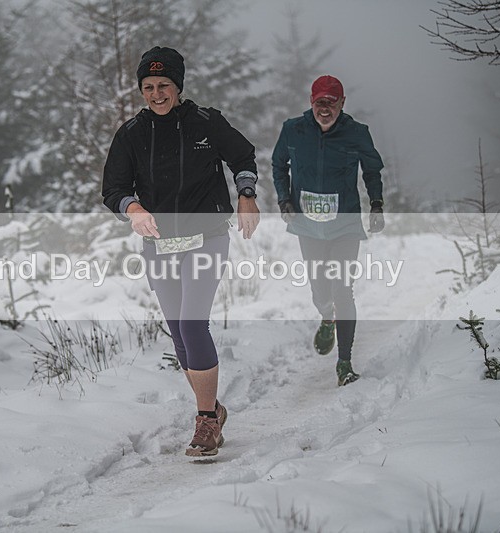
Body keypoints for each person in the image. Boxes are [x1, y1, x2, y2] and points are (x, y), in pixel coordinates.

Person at [102, 46, 260, 456]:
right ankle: (213, 408)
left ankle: (206, 422)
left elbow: (242, 156)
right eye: (149, 87)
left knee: (192, 324)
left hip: (207, 236)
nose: (156, 94)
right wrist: (132, 208)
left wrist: (246, 195)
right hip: (160, 243)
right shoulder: (131, 134)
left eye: (164, 85)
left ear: (178, 87)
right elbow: (113, 190)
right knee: (178, 333)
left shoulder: (206, 122)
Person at [271, 75, 384, 387]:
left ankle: (344, 363)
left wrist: (376, 204)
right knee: (320, 288)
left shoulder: (357, 133)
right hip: (307, 224)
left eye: (331, 103)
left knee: (341, 288)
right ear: (311, 102)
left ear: (342, 104)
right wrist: (283, 200)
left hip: (345, 222)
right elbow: (278, 165)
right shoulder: (293, 129)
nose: (325, 109)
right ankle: (326, 317)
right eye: (320, 102)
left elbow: (372, 169)